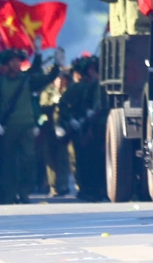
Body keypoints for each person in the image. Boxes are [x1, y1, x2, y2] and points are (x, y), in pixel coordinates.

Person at [0, 48, 63, 204]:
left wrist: (57, 65)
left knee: (28, 160)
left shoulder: (28, 80)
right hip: (8, 128)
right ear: (7, 63)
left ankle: (24, 193)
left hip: (27, 127)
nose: (15, 63)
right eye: (12, 61)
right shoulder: (0, 83)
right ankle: (10, 195)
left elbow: (47, 78)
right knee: (8, 163)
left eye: (17, 60)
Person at [58, 55, 106, 202]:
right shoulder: (77, 87)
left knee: (98, 160)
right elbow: (63, 105)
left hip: (96, 127)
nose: (93, 71)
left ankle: (99, 190)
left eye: (95, 68)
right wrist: (71, 120)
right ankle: (85, 189)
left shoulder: (101, 86)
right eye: (91, 69)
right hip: (81, 128)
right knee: (83, 160)